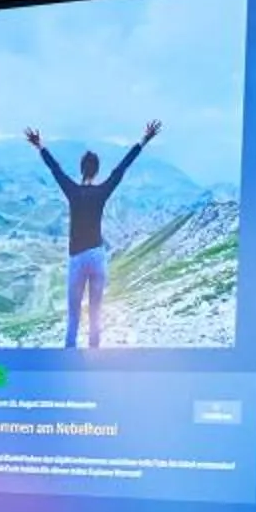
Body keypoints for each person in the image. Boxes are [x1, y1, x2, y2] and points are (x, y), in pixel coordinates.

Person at [27, 118, 161, 348]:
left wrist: (40, 146)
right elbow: (122, 168)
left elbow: (55, 169)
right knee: (96, 315)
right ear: (97, 170)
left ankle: (70, 360)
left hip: (77, 259)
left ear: (81, 170)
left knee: (73, 316)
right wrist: (144, 140)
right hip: (98, 257)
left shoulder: (72, 191)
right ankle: (94, 361)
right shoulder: (102, 192)